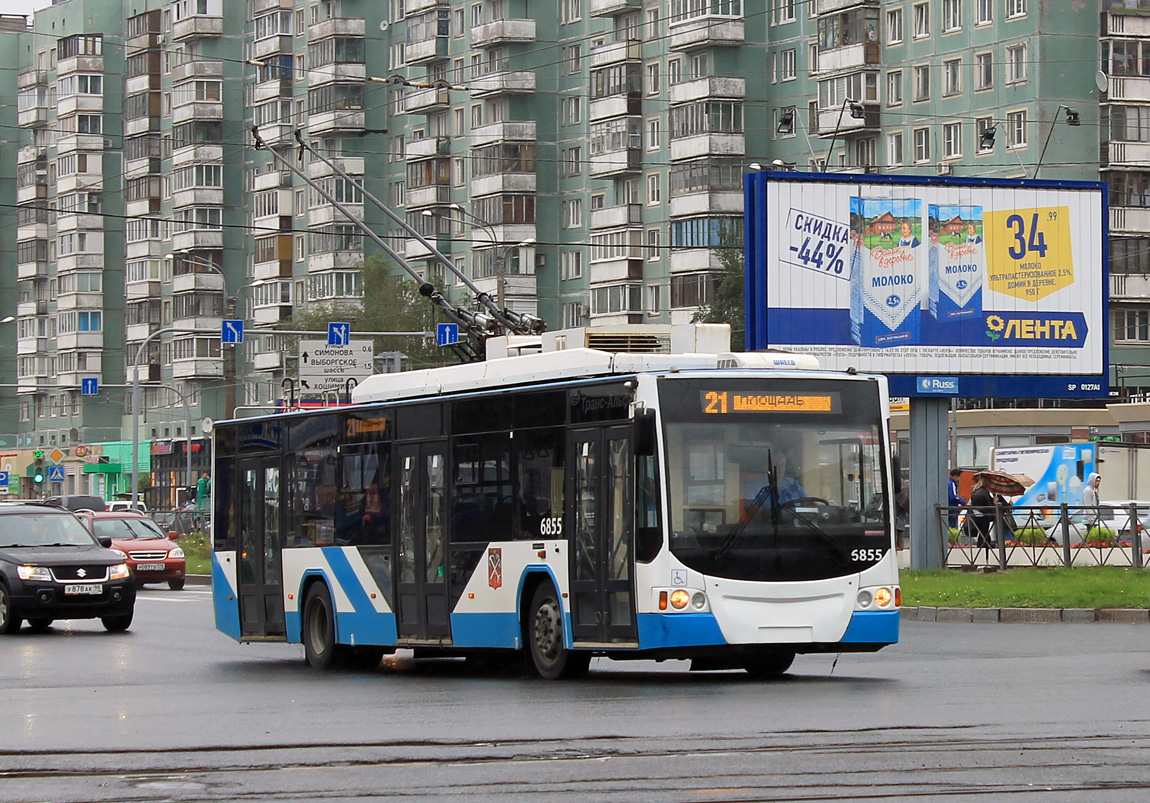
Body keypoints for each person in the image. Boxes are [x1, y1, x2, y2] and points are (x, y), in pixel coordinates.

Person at [966, 473, 995, 549]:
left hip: (975, 515)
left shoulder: (975, 491)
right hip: (983, 515)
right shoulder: (984, 492)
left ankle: (985, 546)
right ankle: (983, 549)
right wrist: (994, 502)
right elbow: (988, 505)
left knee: (983, 533)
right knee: (984, 533)